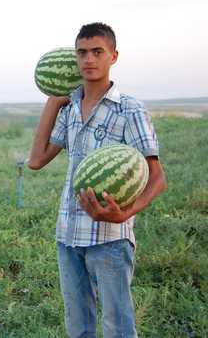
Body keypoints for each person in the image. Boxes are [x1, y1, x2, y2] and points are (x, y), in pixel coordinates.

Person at [27, 22, 167, 338]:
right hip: (68, 235)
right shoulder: (70, 108)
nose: (89, 59)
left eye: (97, 52)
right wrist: (54, 100)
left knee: (118, 326)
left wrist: (126, 212)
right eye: (82, 53)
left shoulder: (129, 109)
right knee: (78, 328)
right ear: (75, 58)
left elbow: (157, 178)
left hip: (111, 237)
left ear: (113, 56)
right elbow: (36, 160)